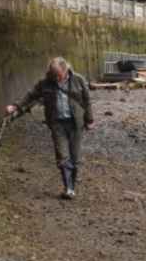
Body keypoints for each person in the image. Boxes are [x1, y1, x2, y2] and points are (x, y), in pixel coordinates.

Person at [6, 57, 94, 199]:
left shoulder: (78, 80)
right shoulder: (45, 83)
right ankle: (68, 188)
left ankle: (72, 184)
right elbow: (30, 95)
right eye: (54, 75)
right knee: (62, 156)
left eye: (59, 74)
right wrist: (16, 106)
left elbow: (87, 100)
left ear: (66, 70)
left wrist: (89, 120)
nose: (56, 78)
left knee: (75, 158)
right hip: (57, 124)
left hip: (75, 123)